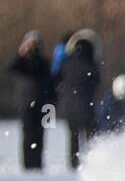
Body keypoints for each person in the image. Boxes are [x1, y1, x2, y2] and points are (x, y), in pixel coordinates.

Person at [8, 31, 58, 171]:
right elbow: (11, 68)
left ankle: (38, 163)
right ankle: (28, 164)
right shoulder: (22, 62)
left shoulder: (44, 63)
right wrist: (22, 52)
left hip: (42, 105)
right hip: (25, 104)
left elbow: (50, 84)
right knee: (28, 135)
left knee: (40, 135)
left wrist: (52, 104)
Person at [58, 29, 101, 170]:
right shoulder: (91, 66)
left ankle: (73, 164)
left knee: (73, 138)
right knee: (90, 137)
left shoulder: (67, 64)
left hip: (69, 108)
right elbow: (96, 82)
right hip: (86, 107)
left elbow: (58, 77)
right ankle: (91, 163)